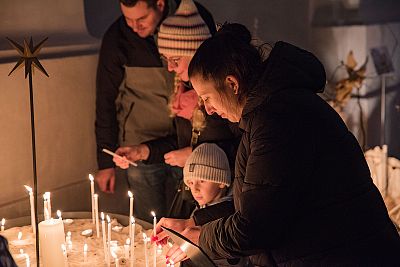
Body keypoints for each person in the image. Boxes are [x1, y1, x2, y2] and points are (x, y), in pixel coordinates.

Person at [159, 23, 400, 266]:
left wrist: (202, 238)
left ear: (232, 84)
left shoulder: (278, 119)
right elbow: (262, 198)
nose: (208, 109)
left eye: (207, 98)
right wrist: (196, 222)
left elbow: (257, 226)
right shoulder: (267, 113)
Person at [112, 0, 240, 218]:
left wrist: (194, 157)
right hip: (199, 198)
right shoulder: (183, 91)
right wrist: (143, 151)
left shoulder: (219, 95)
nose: (170, 67)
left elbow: (240, 147)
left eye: (175, 60)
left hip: (225, 203)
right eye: (166, 60)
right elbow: (183, 140)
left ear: (196, 55)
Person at [94, 0, 215, 222]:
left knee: (194, 218)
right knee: (150, 223)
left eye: (141, 19)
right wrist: (105, 159)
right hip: (142, 141)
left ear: (159, 4)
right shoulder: (118, 36)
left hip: (191, 141)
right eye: (128, 19)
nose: (134, 27)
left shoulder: (193, 25)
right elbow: (105, 100)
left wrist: (195, 147)